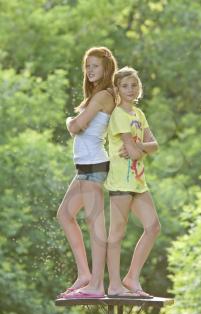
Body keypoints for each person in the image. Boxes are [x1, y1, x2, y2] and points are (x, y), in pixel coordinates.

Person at [57, 47, 117, 299]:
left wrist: (70, 120)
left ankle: (96, 284)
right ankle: (84, 274)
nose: (90, 70)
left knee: (95, 226)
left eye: (95, 66)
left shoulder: (104, 95)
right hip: (85, 168)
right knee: (64, 215)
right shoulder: (95, 96)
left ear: (106, 69)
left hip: (94, 168)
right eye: (87, 66)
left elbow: (78, 126)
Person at [105, 66, 160, 298]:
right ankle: (114, 285)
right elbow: (138, 152)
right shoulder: (118, 115)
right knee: (116, 234)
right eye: (125, 86)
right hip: (120, 183)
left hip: (138, 182)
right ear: (117, 89)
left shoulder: (139, 115)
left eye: (134, 85)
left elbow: (153, 145)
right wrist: (140, 149)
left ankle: (132, 277)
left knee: (153, 227)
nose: (130, 89)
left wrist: (138, 147)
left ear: (139, 88)